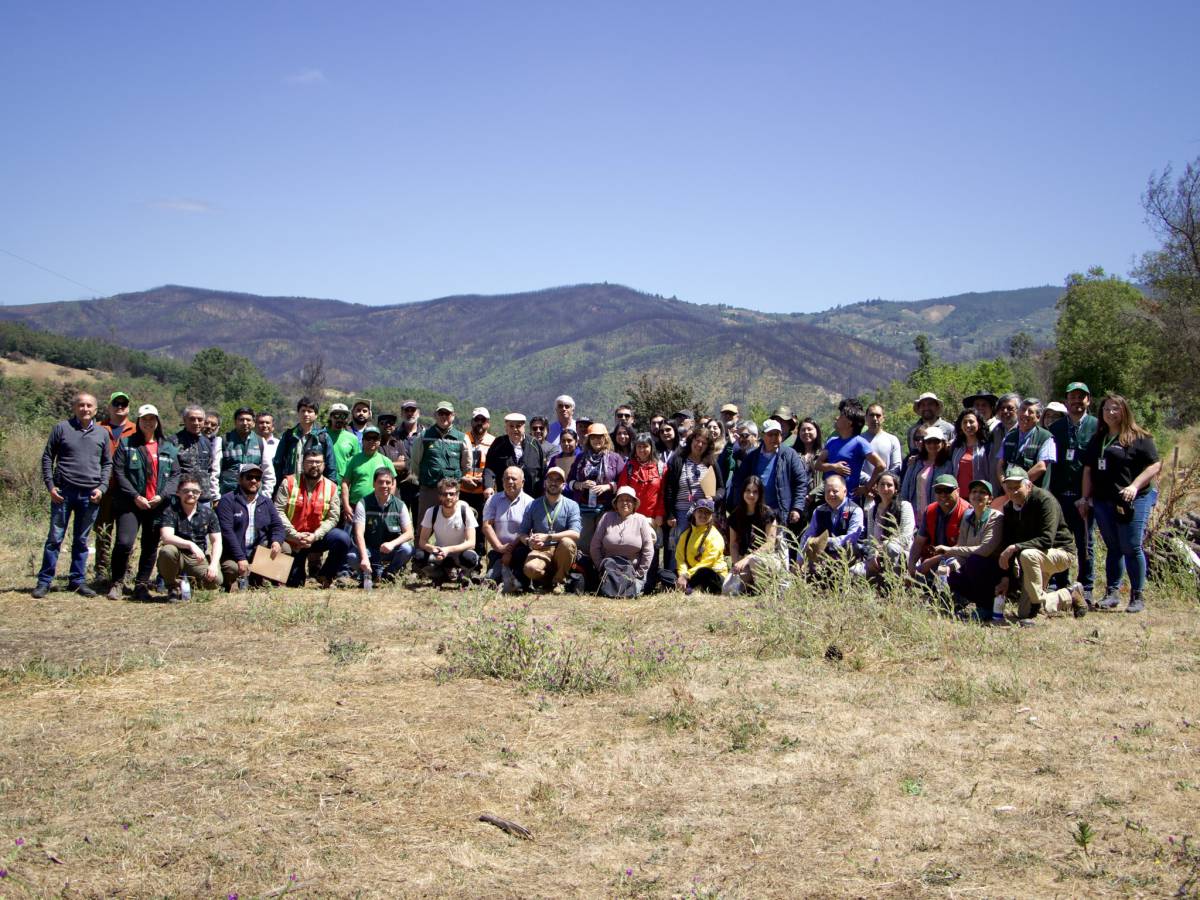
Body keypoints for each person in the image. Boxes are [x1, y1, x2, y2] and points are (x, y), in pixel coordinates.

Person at [1079, 394, 1161, 614]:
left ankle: (1137, 595)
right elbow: (1088, 470)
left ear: (1124, 410)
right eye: (1106, 409)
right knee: (1113, 547)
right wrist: (1085, 498)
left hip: (1133, 499)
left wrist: (1134, 486)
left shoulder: (1139, 437)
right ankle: (1112, 593)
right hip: (1104, 501)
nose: (1110, 413)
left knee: (1131, 546)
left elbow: (1155, 465)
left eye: (1115, 409)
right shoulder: (1098, 439)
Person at [33, 392, 112, 598]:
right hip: (63, 493)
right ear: (74, 407)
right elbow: (48, 457)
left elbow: (107, 463)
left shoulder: (103, 433)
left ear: (96, 409)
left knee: (82, 540)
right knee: (55, 538)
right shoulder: (62, 428)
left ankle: (77, 581)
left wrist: (102, 488)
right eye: (81, 405)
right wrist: (51, 486)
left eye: (89, 406)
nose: (85, 409)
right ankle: (44, 581)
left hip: (90, 494)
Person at [995, 466, 1086, 625]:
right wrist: (1005, 578)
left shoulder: (1044, 500)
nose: (1013, 492)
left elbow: (1046, 540)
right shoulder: (1009, 508)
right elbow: (1008, 542)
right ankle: (1070, 594)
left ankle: (1038, 604)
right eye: (1009, 488)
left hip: (1060, 552)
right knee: (1025, 613)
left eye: (1017, 487)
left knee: (1026, 554)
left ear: (1028, 485)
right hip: (1034, 559)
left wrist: (1015, 547)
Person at [109, 404, 179, 601]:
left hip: (157, 505)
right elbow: (119, 472)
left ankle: (141, 584)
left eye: (152, 419)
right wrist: (134, 496)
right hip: (131, 503)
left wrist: (163, 496)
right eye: (144, 419)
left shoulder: (168, 447)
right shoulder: (126, 443)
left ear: (158, 422)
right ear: (138, 421)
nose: (148, 422)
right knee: (124, 543)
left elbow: (175, 475)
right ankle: (117, 582)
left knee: (150, 546)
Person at [1047, 381, 1099, 602]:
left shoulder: (1097, 426)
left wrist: (1088, 496)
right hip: (1060, 495)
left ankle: (1086, 587)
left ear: (1088, 400)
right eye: (1073, 397)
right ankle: (1060, 584)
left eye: (1081, 397)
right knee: (1060, 542)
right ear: (1066, 400)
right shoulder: (1056, 429)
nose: (1077, 401)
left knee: (1085, 541)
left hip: (1085, 496)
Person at [274, 447, 352, 588]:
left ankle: (326, 575)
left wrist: (315, 536)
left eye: (318, 462)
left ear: (324, 465)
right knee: (294, 583)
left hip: (316, 538)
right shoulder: (289, 482)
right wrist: (295, 535)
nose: (314, 465)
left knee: (342, 538)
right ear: (302, 463)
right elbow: (278, 511)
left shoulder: (332, 487)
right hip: (293, 539)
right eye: (310, 462)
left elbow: (333, 517)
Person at [663, 425, 727, 586]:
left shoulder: (710, 462)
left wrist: (713, 497)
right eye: (697, 441)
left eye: (704, 443)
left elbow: (721, 488)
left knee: (700, 546)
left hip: (703, 514)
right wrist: (670, 514)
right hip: (681, 511)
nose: (699, 445)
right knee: (676, 546)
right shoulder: (678, 460)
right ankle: (673, 581)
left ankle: (695, 580)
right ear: (691, 441)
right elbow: (669, 489)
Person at [726, 419, 810, 541]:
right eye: (771, 434)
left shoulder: (789, 455)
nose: (774, 438)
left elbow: (801, 482)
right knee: (758, 547)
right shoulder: (752, 457)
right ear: (763, 436)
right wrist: (740, 506)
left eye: (778, 434)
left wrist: (797, 508)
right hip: (757, 512)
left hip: (780, 512)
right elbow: (738, 482)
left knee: (779, 550)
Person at [939, 479, 1005, 620]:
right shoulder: (967, 516)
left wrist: (951, 550)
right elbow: (961, 546)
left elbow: (985, 550)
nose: (977, 495)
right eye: (974, 491)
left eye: (982, 492)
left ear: (990, 498)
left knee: (975, 561)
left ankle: (985, 608)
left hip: (991, 570)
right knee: (949, 567)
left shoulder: (996, 518)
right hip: (971, 567)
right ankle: (958, 601)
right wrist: (952, 565)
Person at [216, 462, 288, 590]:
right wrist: (240, 557)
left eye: (258, 478)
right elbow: (227, 533)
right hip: (233, 555)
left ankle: (261, 577)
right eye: (249, 477)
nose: (254, 481)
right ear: (240, 479)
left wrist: (276, 541)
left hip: (257, 554)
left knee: (285, 547)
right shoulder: (227, 500)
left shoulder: (266, 502)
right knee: (231, 569)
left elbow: (278, 526)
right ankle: (236, 580)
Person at [511, 467, 582, 593]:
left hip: (561, 549)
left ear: (564, 485)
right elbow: (522, 532)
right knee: (530, 569)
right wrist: (529, 542)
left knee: (567, 542)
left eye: (558, 480)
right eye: (550, 479)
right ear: (545, 483)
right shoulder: (533, 505)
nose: (553, 483)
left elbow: (575, 533)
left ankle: (559, 582)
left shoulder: (572, 505)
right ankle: (547, 580)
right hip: (541, 549)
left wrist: (548, 537)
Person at [157, 475, 222, 601]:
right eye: (186, 491)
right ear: (178, 493)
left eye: (195, 491)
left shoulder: (208, 513)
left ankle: (191, 583)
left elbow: (217, 541)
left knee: (216, 580)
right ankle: (172, 587)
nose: (191, 494)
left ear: (200, 494)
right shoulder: (170, 511)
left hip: (196, 558)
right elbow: (166, 537)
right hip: (177, 554)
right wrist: (190, 545)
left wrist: (213, 564)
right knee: (167, 551)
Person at [94, 390, 136, 583]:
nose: (120, 407)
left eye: (124, 404)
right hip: (104, 488)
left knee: (126, 533)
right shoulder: (98, 428)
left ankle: (124, 569)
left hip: (128, 490)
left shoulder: (136, 429)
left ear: (128, 407)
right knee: (103, 530)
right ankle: (101, 570)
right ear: (109, 407)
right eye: (116, 404)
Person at [617, 433, 666, 590]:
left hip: (652, 518)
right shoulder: (630, 467)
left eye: (645, 446)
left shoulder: (661, 467)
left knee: (651, 549)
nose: (642, 450)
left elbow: (664, 493)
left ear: (651, 447)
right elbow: (622, 491)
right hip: (632, 517)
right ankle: (631, 582)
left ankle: (650, 584)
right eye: (639, 446)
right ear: (635, 449)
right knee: (633, 549)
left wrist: (659, 513)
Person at [907, 474, 970, 594]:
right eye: (939, 490)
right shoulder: (930, 510)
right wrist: (911, 565)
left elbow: (964, 547)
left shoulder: (967, 512)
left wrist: (932, 561)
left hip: (957, 559)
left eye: (947, 490)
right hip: (932, 559)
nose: (943, 495)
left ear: (958, 491)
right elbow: (919, 542)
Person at [724, 476, 787, 595]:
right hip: (744, 561)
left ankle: (765, 591)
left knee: (755, 561)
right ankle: (751, 586)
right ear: (743, 492)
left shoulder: (768, 513)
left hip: (766, 559)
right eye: (748, 491)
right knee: (727, 589)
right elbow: (733, 544)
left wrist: (748, 558)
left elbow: (770, 544)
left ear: (760, 494)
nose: (751, 495)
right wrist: (736, 563)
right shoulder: (735, 515)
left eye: (755, 492)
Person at [411, 401, 471, 525]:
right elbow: (415, 464)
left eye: (447, 413)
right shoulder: (423, 437)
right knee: (423, 527)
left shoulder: (462, 438)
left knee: (453, 525)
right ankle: (421, 545)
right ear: (435, 415)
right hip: (429, 490)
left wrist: (455, 479)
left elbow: (466, 465)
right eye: (441, 413)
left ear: (453, 416)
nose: (444, 416)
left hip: (452, 492)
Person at [590, 485, 656, 596]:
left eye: (628, 500)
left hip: (633, 572)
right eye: (621, 500)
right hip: (609, 571)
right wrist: (600, 567)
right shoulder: (607, 517)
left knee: (629, 591)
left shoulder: (641, 520)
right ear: (616, 504)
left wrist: (640, 573)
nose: (624, 503)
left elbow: (648, 550)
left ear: (634, 504)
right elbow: (594, 546)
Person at [352, 468, 415, 584]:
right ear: (374, 484)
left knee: (407, 549)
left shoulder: (400, 505)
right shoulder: (363, 503)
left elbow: (409, 533)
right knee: (352, 556)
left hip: (390, 550)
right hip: (370, 549)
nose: (384, 485)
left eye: (388, 482)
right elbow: (358, 533)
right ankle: (367, 575)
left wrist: (392, 544)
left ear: (392, 484)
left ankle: (389, 574)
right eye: (380, 482)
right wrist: (364, 557)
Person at [815, 398, 886, 501]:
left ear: (849, 422)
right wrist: (833, 467)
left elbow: (880, 465)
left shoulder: (859, 442)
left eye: (841, 416)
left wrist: (867, 487)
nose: (837, 418)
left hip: (849, 501)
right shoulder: (832, 441)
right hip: (829, 499)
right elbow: (818, 465)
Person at [413, 477, 480, 586]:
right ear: (439, 496)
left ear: (457, 495)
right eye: (444, 494)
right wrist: (434, 549)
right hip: (439, 553)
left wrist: (448, 550)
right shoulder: (431, 512)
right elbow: (422, 541)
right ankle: (439, 575)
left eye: (452, 494)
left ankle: (464, 575)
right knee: (418, 557)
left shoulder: (465, 511)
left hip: (460, 553)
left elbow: (471, 543)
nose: (448, 497)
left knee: (470, 559)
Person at [856, 472, 914, 584]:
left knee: (891, 547)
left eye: (889, 485)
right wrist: (873, 554)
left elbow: (906, 537)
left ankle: (893, 584)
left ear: (896, 489)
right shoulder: (872, 510)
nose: (885, 488)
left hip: (901, 556)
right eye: (882, 484)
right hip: (878, 556)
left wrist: (883, 546)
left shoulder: (904, 507)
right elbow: (870, 539)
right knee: (854, 572)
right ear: (876, 487)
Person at [481, 466, 534, 590]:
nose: (510, 482)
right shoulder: (493, 500)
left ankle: (518, 578)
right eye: (506, 478)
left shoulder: (531, 503)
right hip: (498, 549)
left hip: (520, 549)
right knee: (489, 585)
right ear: (502, 481)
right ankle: (500, 572)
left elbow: (526, 531)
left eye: (514, 479)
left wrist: (509, 551)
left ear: (523, 482)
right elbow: (487, 526)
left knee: (520, 588)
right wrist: (500, 548)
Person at [799, 475, 864, 570]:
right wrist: (799, 559)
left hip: (847, 557)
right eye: (827, 491)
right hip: (822, 557)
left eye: (835, 491)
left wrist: (824, 541)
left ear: (845, 492)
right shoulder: (818, 510)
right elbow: (808, 535)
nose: (830, 494)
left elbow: (851, 538)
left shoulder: (855, 510)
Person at [212, 406, 276, 501]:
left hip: (254, 498)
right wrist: (216, 497)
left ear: (254, 423)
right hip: (228, 497)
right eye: (241, 420)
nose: (245, 423)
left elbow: (269, 473)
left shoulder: (261, 442)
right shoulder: (222, 441)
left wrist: (265, 497)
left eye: (248, 420)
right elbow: (214, 472)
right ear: (235, 422)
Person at [340, 426, 397, 526]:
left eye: (375, 438)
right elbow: (345, 483)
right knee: (351, 538)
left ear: (379, 441)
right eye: (368, 438)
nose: (371, 441)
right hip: (355, 506)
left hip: (379, 506)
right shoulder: (353, 460)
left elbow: (393, 482)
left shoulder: (386, 461)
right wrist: (346, 505)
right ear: (362, 440)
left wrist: (388, 501)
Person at [484, 412, 548, 500]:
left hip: (532, 499)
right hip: (505, 498)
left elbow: (543, 471)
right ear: (506, 428)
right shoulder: (498, 444)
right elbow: (489, 468)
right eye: (511, 426)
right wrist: (489, 486)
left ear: (524, 427)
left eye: (518, 426)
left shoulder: (534, 444)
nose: (515, 429)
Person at [273, 397, 337, 484]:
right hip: (291, 486)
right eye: (303, 411)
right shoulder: (289, 436)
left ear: (316, 415)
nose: (306, 414)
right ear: (298, 413)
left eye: (310, 411)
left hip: (316, 487)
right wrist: (279, 485)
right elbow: (278, 463)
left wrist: (331, 487)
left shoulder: (323, 437)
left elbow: (331, 466)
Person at [997, 398, 1056, 489]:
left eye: (1030, 412)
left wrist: (1017, 486)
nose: (1025, 414)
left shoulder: (1046, 437)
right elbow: (1000, 465)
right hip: (1008, 494)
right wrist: (1005, 485)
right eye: (1023, 410)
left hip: (1033, 495)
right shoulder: (1009, 436)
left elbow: (1041, 466)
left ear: (1038, 417)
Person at [674, 498, 727, 594]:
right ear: (694, 513)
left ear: (711, 516)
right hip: (690, 574)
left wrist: (686, 575)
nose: (703, 515)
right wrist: (682, 574)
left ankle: (686, 586)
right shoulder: (685, 534)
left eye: (707, 513)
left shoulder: (715, 536)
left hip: (713, 574)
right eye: (700, 511)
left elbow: (708, 562)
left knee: (704, 572)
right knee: (664, 573)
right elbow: (680, 559)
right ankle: (685, 585)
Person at [900, 426, 955, 519]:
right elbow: (905, 488)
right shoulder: (915, 462)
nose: (932, 445)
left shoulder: (948, 465)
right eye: (929, 441)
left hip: (938, 514)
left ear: (942, 443)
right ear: (924, 443)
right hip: (914, 514)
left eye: (936, 441)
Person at [460, 408, 495, 547]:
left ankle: (478, 559)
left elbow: (493, 467)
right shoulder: (462, 438)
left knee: (482, 527)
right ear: (471, 422)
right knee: (462, 526)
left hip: (483, 493)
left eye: (483, 420)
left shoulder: (494, 442)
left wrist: (486, 483)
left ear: (488, 423)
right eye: (477, 420)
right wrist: (464, 479)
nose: (480, 423)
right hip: (463, 490)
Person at [172, 405, 216, 504]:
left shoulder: (207, 442)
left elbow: (210, 469)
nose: (196, 423)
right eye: (192, 419)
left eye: (200, 419)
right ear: (184, 420)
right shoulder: (173, 442)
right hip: (181, 498)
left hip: (203, 497)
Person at [949, 410, 991, 498]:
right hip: (959, 498)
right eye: (964, 422)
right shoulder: (956, 447)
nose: (968, 425)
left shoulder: (987, 447)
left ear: (979, 424)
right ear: (960, 425)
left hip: (980, 498)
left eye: (971, 422)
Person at [861, 403, 903, 483]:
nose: (875, 418)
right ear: (866, 418)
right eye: (871, 415)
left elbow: (896, 466)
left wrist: (883, 483)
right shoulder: (859, 440)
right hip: (863, 489)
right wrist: (870, 483)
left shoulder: (892, 440)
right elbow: (855, 467)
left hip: (886, 489)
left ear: (883, 418)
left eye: (878, 415)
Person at [793, 418, 824, 519]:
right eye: (803, 430)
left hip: (819, 502)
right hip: (796, 504)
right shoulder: (792, 454)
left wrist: (812, 494)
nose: (806, 432)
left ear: (817, 431)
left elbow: (828, 479)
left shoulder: (824, 454)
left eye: (809, 429)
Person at [326, 403, 362, 482]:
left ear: (347, 419)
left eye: (343, 416)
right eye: (336, 415)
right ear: (330, 417)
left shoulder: (353, 438)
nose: (340, 419)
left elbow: (356, 463)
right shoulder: (322, 435)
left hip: (344, 484)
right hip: (324, 483)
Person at [707, 419, 736, 484]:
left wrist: (730, 445)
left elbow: (730, 466)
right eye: (709, 427)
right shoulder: (702, 447)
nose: (711, 430)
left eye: (715, 428)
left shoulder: (725, 448)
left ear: (720, 431)